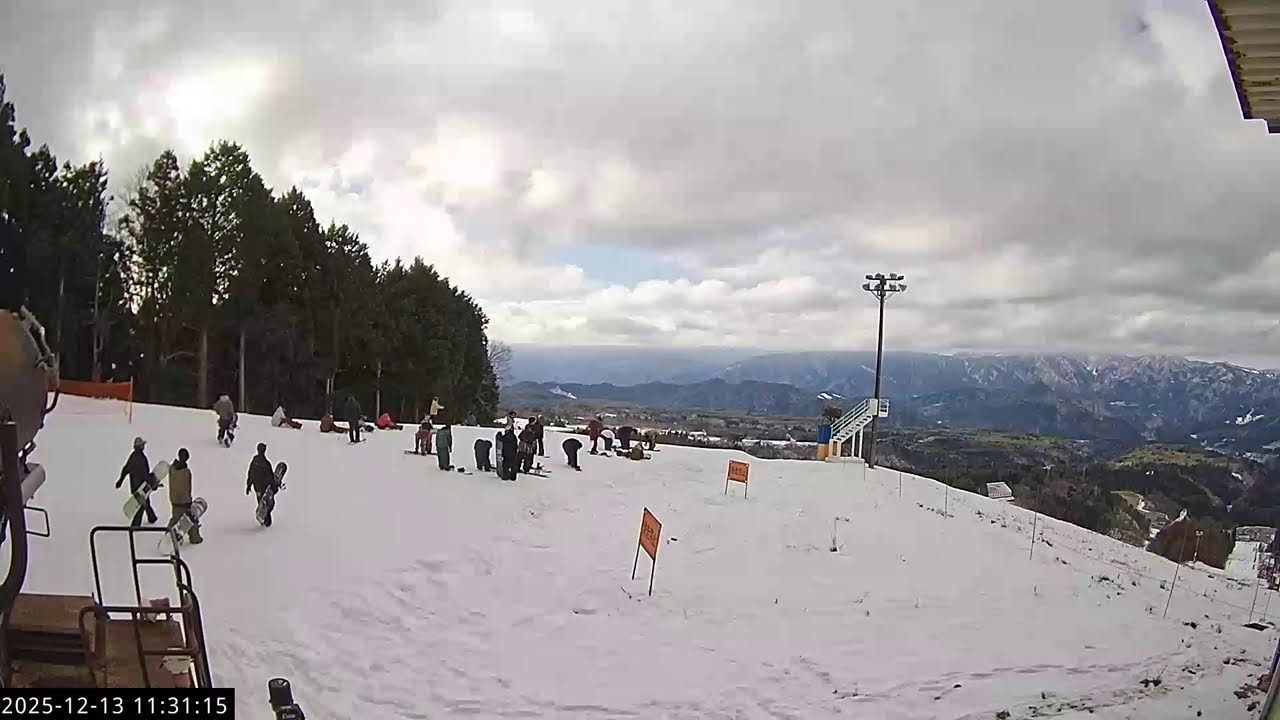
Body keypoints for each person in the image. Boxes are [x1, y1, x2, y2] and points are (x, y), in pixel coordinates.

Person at [116, 436, 158, 526]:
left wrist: (120, 480)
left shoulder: (133, 456)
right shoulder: (140, 458)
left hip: (135, 485)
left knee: (146, 502)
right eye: (142, 445)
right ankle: (135, 525)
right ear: (139, 446)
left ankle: (152, 518)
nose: (144, 446)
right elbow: (143, 474)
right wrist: (151, 481)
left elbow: (125, 469)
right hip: (141, 486)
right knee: (141, 505)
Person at [167, 448, 202, 544]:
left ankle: (168, 534)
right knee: (190, 519)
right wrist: (189, 500)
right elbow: (187, 487)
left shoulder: (172, 468)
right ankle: (195, 538)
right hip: (184, 500)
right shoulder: (186, 472)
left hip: (174, 499)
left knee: (175, 518)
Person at [246, 442, 279, 526]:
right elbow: (270, 476)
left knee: (261, 501)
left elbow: (250, 473)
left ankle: (264, 516)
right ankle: (266, 517)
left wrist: (249, 485)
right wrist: (274, 486)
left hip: (257, 487)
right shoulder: (266, 463)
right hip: (264, 486)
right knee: (269, 503)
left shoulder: (254, 461)